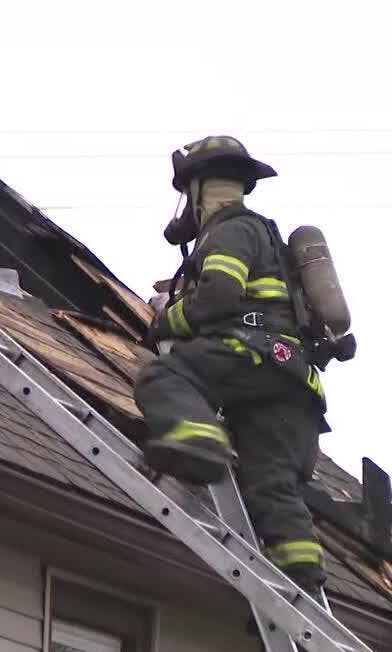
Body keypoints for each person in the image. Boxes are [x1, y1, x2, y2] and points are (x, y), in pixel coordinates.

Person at [135, 136, 335, 597]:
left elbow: (223, 293)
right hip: (296, 386)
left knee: (165, 376)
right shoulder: (271, 240)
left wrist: (171, 319)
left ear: (199, 189)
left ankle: (197, 441)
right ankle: (301, 584)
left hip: (249, 355)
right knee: (273, 490)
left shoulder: (232, 229)